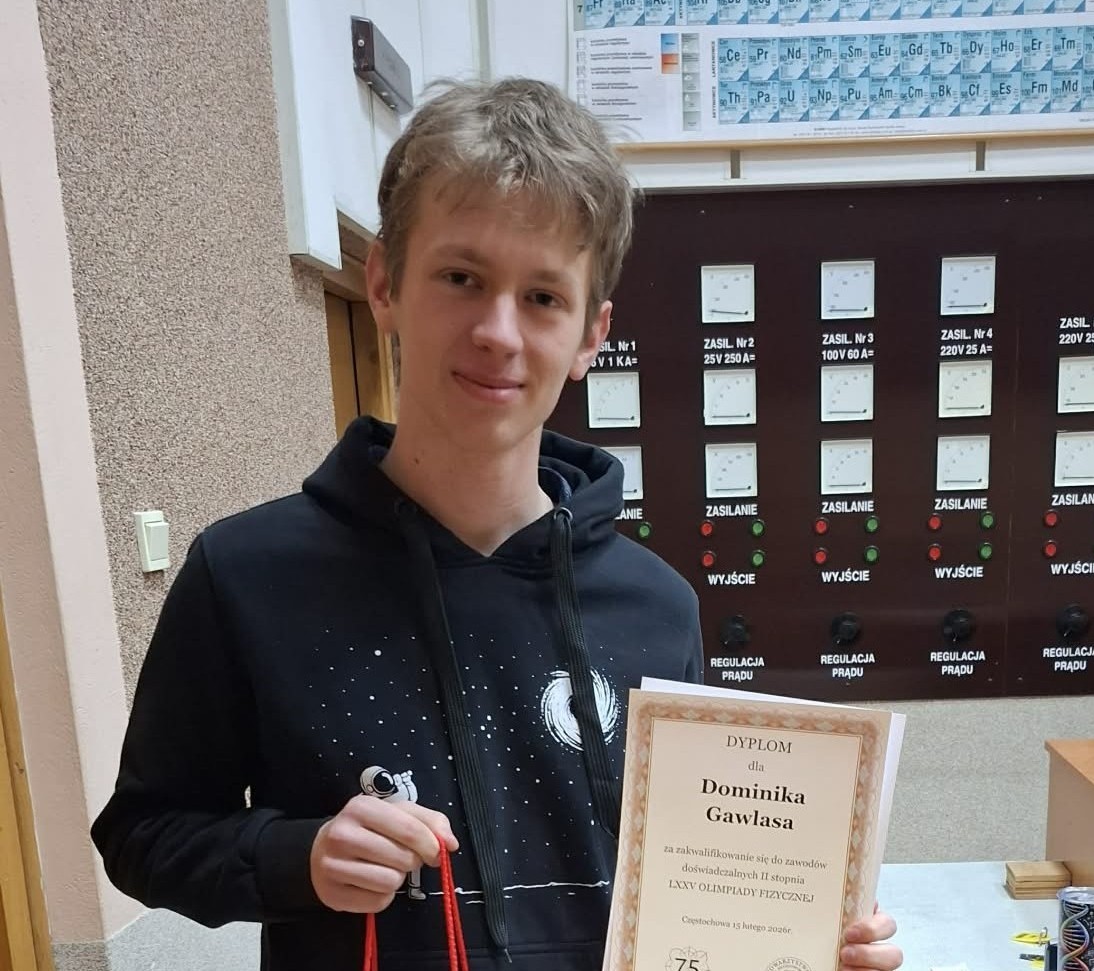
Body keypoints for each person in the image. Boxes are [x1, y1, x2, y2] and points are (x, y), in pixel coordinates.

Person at [91, 78, 903, 971]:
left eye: (543, 296)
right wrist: (299, 856)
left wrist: (794, 941)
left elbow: (695, 894)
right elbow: (141, 832)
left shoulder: (656, 606)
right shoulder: (247, 573)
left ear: (591, 335)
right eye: (461, 278)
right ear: (384, 283)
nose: (498, 332)